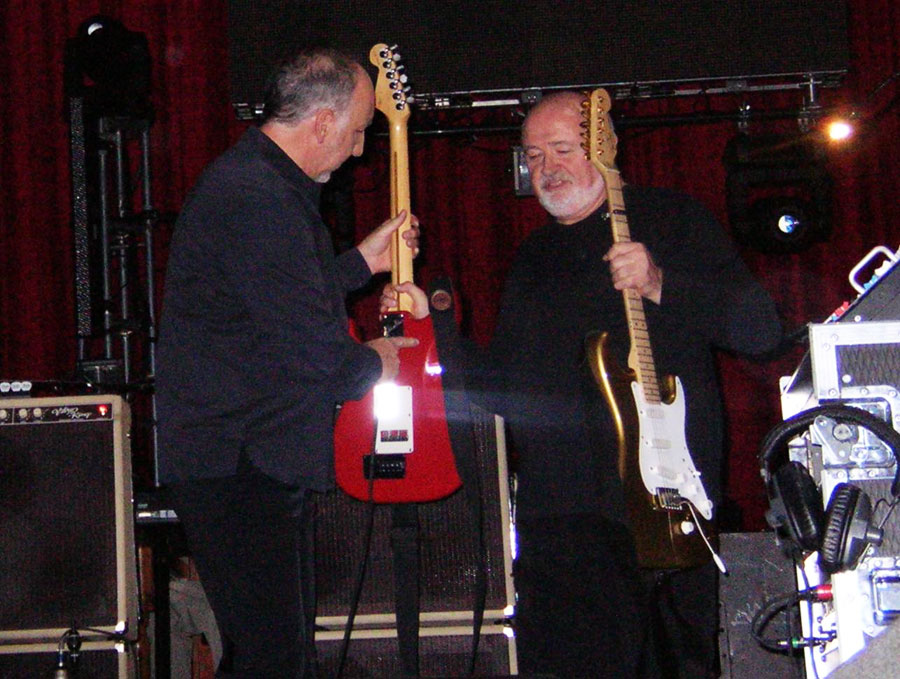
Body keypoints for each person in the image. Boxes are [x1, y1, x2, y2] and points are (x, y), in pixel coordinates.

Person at [382, 90, 782, 678]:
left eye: (563, 149)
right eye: (534, 155)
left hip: (664, 508)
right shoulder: (534, 258)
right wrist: (432, 326)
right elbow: (502, 389)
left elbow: (762, 331)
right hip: (562, 523)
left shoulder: (671, 219)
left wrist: (661, 283)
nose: (547, 168)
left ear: (603, 145)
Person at [155, 48, 420, 677]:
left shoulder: (254, 183)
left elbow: (270, 303)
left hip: (241, 457)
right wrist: (375, 364)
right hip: (243, 462)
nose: (359, 151)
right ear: (323, 124)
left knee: (273, 654)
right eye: (357, 132)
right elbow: (309, 347)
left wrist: (360, 261)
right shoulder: (258, 195)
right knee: (273, 658)